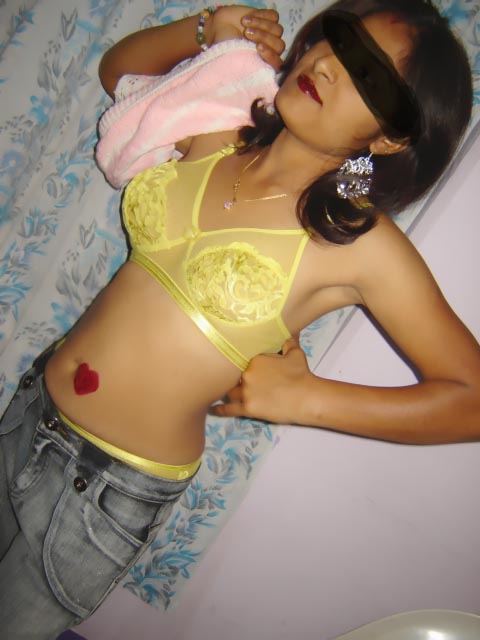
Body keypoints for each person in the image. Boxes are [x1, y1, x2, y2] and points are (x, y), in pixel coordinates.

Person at [0, 1, 479, 637]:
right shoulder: (216, 131)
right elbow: (118, 72)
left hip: (105, 490)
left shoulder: (358, 242)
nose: (329, 65)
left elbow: (471, 399)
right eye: (340, 40)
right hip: (29, 412)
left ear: (389, 138)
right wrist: (205, 30)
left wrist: (309, 400)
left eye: (369, 75)